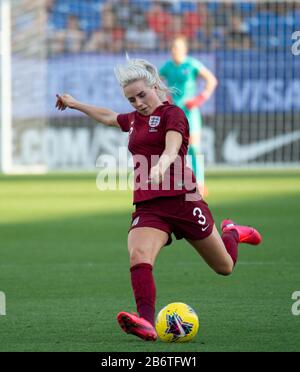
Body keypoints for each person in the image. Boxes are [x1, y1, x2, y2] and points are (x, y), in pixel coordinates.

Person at [55, 57, 262, 342]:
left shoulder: (172, 114)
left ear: (155, 86)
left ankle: (231, 232)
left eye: (142, 94)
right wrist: (75, 103)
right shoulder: (134, 119)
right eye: (131, 99)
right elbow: (107, 117)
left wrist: (162, 166)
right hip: (150, 205)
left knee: (224, 267)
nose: (138, 102)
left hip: (184, 201)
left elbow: (173, 145)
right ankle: (145, 321)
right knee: (139, 254)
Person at [159, 35, 218, 195]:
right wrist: (165, 97)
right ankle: (177, 182)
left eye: (177, 48)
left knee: (194, 148)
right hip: (173, 114)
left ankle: (199, 183)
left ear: (185, 49)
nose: (174, 51)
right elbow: (154, 83)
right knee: (173, 149)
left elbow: (211, 80)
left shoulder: (191, 64)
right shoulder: (167, 67)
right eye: (172, 48)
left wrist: (201, 98)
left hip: (190, 112)